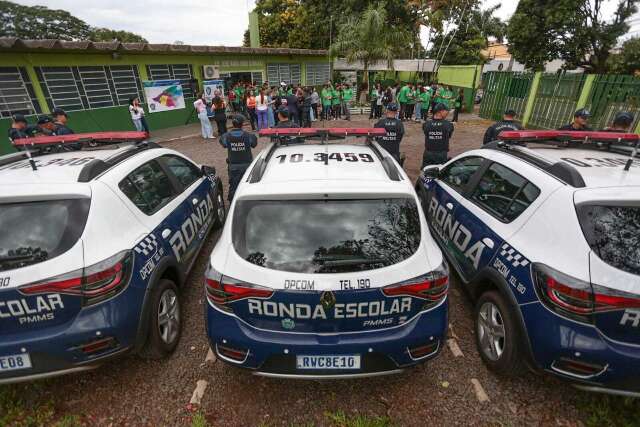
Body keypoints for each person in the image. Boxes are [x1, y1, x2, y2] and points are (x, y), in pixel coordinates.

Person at [219, 114, 258, 201]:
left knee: (234, 186)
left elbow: (223, 143)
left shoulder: (226, 136)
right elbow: (254, 144)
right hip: (247, 166)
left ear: (233, 124)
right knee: (248, 185)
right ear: (242, 124)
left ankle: (233, 203)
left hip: (233, 167)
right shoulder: (248, 136)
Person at [422, 103, 454, 167]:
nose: (447, 113)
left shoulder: (426, 124)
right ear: (440, 111)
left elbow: (426, 133)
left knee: (426, 170)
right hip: (441, 153)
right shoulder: (448, 125)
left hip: (428, 152)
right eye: (446, 111)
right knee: (440, 171)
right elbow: (449, 136)